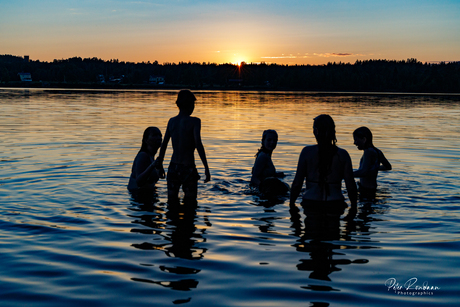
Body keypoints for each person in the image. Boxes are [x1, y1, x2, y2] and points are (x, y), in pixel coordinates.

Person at [290, 114, 357, 219]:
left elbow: (297, 184)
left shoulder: (307, 152)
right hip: (335, 204)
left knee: (311, 234)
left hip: (311, 203)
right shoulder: (343, 155)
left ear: (316, 131)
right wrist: (354, 209)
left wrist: (291, 205)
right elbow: (351, 187)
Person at [156, 89, 211, 204]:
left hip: (173, 167)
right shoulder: (195, 122)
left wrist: (160, 163)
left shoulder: (172, 121)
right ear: (190, 105)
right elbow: (198, 144)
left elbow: (164, 144)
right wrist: (206, 167)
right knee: (190, 204)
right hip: (188, 167)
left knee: (171, 203)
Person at [353, 126, 392, 199]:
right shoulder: (377, 151)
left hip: (366, 190)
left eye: (356, 140)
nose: (354, 143)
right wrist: (374, 168)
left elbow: (363, 173)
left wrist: (345, 174)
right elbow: (388, 167)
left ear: (364, 139)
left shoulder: (368, 152)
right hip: (373, 189)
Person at [250, 129, 288, 195]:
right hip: (262, 192)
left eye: (274, 140)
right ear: (263, 141)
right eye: (269, 140)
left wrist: (275, 175)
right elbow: (254, 178)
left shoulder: (266, 155)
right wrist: (264, 189)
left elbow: (263, 174)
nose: (272, 142)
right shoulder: (263, 156)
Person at [128, 127, 163, 192]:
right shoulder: (143, 156)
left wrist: (159, 169)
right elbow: (139, 181)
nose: (159, 138)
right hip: (138, 196)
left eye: (160, 135)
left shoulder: (151, 156)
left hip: (146, 194)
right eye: (154, 135)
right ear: (146, 140)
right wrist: (152, 166)